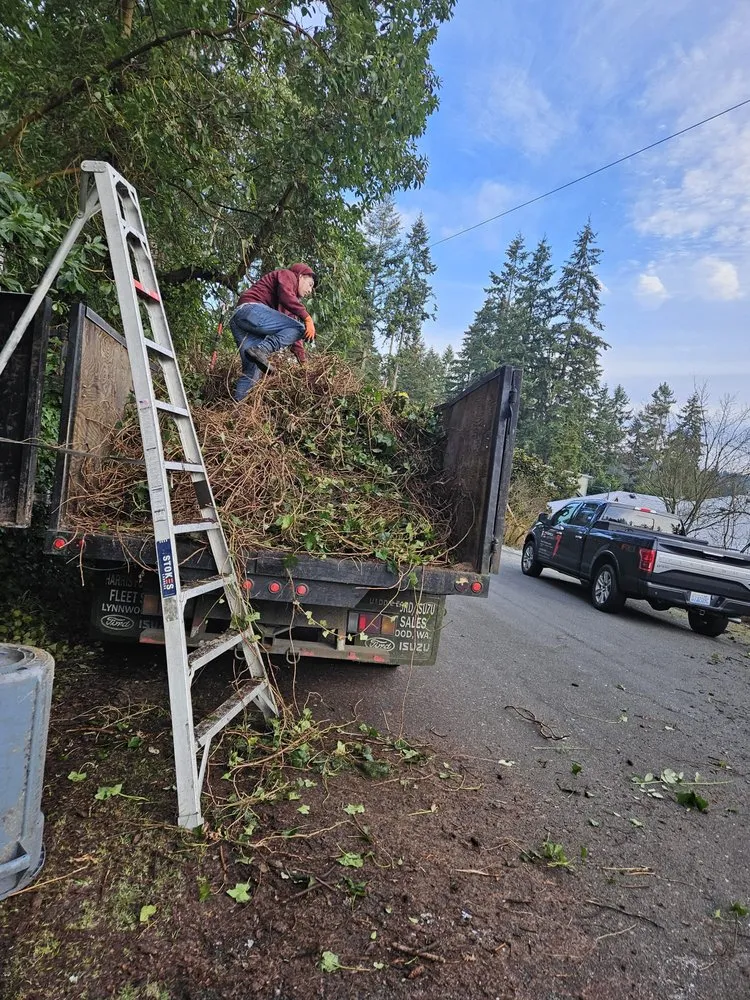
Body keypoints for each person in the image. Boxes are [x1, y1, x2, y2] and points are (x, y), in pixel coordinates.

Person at [229, 263, 317, 401]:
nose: (310, 290)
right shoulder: (288, 275)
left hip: (239, 323)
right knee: (300, 327)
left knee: (252, 372)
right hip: (250, 310)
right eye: (310, 284)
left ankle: (236, 413)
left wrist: (303, 362)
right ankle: (262, 349)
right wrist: (307, 318)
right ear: (301, 276)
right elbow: (286, 296)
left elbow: (295, 338)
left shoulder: (289, 307)